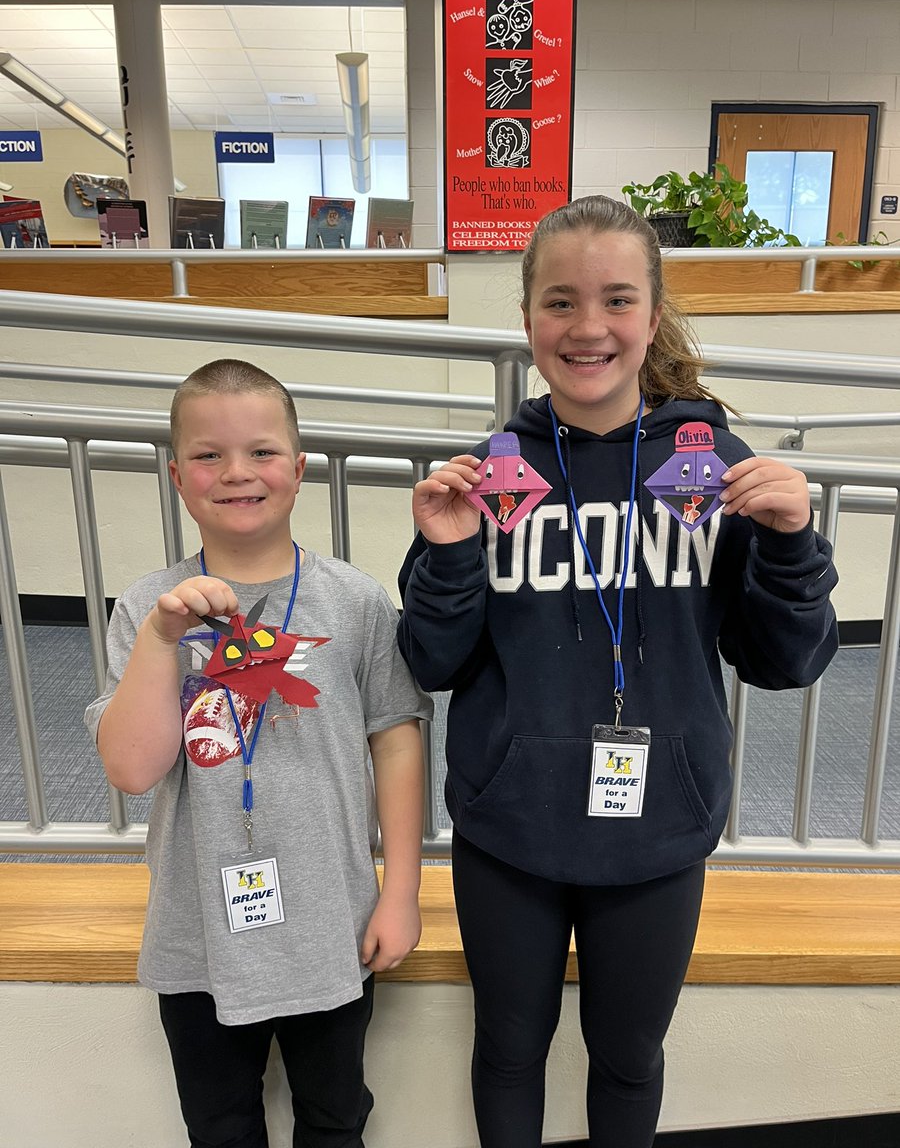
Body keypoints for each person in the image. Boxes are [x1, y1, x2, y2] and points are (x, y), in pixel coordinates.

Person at [397, 194, 839, 1148]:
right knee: (509, 1051)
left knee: (630, 1058)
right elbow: (430, 660)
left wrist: (796, 546)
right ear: (525, 318)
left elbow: (785, 662)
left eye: (616, 300)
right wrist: (445, 555)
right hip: (510, 825)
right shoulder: (488, 474)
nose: (587, 328)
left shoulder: (710, 466)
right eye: (560, 301)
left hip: (658, 830)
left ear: (652, 314)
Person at [86, 358, 430, 1148]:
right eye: (209, 455)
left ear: (300, 469)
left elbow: (398, 741)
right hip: (196, 933)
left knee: (336, 1116)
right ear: (177, 476)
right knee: (219, 1123)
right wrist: (163, 640)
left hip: (331, 925)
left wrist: (401, 891)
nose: (237, 473)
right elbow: (132, 768)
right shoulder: (147, 607)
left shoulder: (355, 600)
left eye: (263, 452)